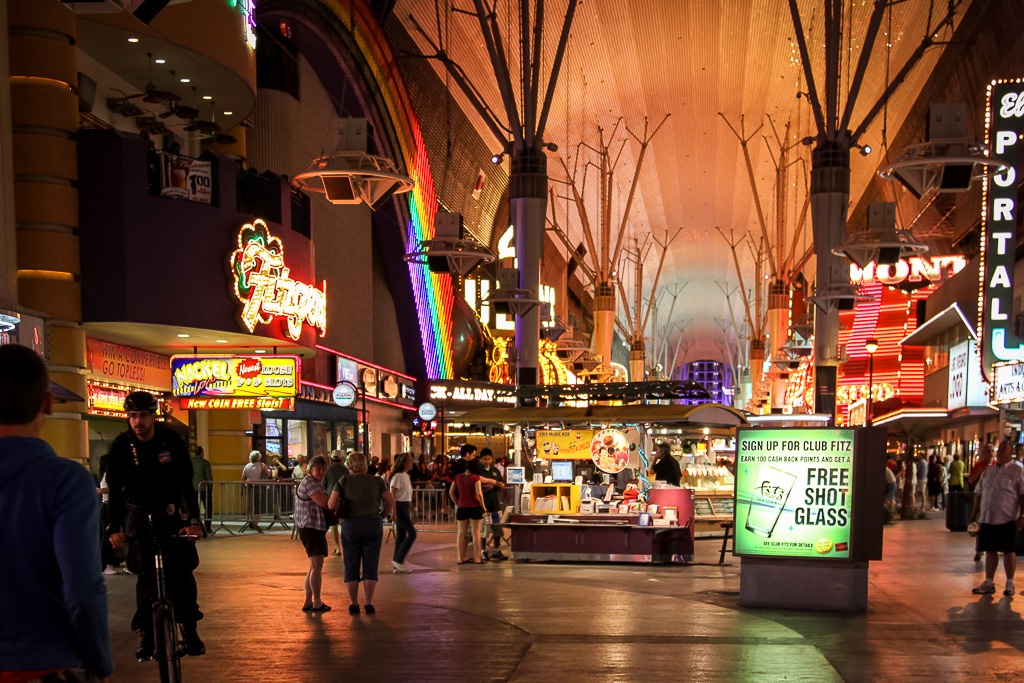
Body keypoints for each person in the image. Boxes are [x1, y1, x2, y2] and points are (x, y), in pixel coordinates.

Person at [0, 344, 114, 682]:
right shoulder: (65, 481)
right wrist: (98, 659)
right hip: (43, 662)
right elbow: (82, 591)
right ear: (48, 402)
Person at [107, 389, 206, 660]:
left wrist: (194, 522)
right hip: (138, 515)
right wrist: (115, 527)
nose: (138, 421)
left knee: (182, 570)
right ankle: (147, 636)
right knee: (145, 577)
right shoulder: (120, 446)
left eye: (144, 416)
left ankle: (190, 629)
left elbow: (186, 483)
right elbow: (115, 490)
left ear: (154, 416)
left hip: (173, 512)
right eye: (133, 416)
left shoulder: (171, 440)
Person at [329, 452, 395, 614]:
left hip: (350, 525)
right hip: (372, 523)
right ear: (366, 465)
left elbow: (331, 504)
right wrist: (383, 515)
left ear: (349, 465)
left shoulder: (343, 481)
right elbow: (390, 500)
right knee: (370, 564)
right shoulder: (376, 481)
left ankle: (353, 603)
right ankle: (369, 603)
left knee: (351, 564)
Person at [970, 440, 1024, 596]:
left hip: (1007, 517)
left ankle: (1010, 583)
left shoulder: (1017, 470)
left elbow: (1022, 495)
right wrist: (974, 517)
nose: (1000, 451)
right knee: (989, 550)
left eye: (1004, 448)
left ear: (1010, 452)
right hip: (987, 517)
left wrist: (1022, 515)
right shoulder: (989, 471)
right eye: (999, 448)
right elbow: (978, 493)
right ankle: (988, 582)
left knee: (1008, 550)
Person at [294, 455, 332, 612]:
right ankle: (317, 601)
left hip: (312, 527)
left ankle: (308, 601)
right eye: (318, 469)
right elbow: (324, 502)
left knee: (313, 567)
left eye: (324, 469)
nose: (321, 472)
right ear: (311, 469)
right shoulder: (310, 483)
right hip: (311, 527)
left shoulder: (314, 482)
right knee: (317, 566)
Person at [450, 459, 487, 565]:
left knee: (461, 534)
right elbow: (479, 494)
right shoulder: (475, 478)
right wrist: (483, 507)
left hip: (462, 508)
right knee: (476, 533)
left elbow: (451, 493)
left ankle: (460, 558)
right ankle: (478, 558)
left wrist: (458, 503)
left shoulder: (457, 477)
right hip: (475, 507)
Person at [478, 448, 508, 561]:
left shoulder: (495, 471)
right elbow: (476, 487)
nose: (487, 461)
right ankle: (483, 551)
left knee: (497, 528)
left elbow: (501, 483)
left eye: (489, 459)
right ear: (481, 459)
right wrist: (485, 488)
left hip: (495, 505)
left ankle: (496, 550)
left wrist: (500, 485)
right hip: (484, 506)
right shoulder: (479, 472)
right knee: (484, 530)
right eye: (485, 459)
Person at [389, 452, 417, 574]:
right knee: (412, 533)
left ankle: (397, 564)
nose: (412, 463)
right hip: (400, 506)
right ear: (405, 462)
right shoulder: (398, 476)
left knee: (401, 536)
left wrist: (411, 508)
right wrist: (393, 511)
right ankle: (398, 560)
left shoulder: (405, 476)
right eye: (410, 460)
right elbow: (393, 494)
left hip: (404, 505)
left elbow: (407, 495)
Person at [324, 450, 349, 557]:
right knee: (344, 523)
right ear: (342, 459)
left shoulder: (327, 470)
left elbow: (323, 485)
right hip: (344, 499)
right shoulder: (346, 470)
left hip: (331, 499)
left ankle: (338, 548)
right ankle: (346, 545)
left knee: (333, 525)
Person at [241, 450, 268, 531]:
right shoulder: (262, 465)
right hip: (259, 487)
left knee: (250, 505)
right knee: (258, 505)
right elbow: (268, 474)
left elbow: (243, 478)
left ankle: (250, 520)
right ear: (258, 458)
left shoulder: (247, 466)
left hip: (249, 487)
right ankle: (255, 522)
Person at [192, 445, 214, 535]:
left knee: (194, 508)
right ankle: (207, 527)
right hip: (204, 489)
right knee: (208, 508)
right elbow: (209, 476)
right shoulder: (205, 463)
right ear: (202, 453)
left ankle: (195, 526)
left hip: (193, 488)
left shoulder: (190, 461)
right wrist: (211, 487)